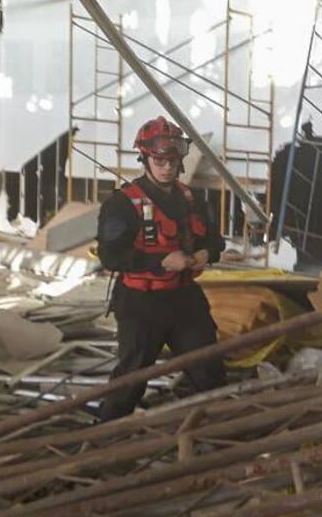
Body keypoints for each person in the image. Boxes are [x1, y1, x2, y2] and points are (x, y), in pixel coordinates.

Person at [95, 116, 226, 421]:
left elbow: (216, 242)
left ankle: (211, 433)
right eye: (159, 160)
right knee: (130, 380)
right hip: (141, 304)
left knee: (208, 370)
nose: (167, 167)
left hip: (184, 300)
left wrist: (208, 252)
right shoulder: (122, 204)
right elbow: (110, 256)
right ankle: (102, 438)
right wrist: (160, 262)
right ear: (145, 158)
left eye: (172, 161)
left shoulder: (193, 200)